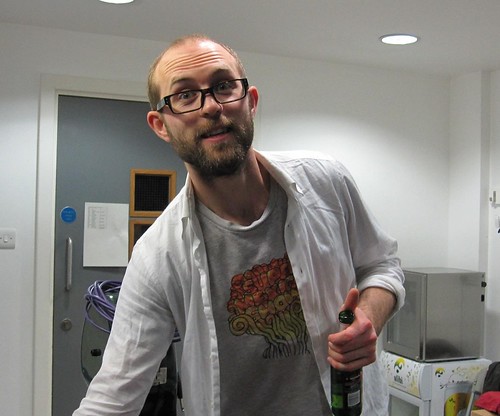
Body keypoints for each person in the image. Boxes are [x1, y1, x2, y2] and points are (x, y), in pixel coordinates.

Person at [73, 34, 405, 416]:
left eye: (224, 86)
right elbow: (112, 399)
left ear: (251, 101)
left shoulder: (326, 183)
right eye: (185, 95)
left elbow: (382, 265)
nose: (212, 106)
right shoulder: (157, 257)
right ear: (160, 125)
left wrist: (369, 318)